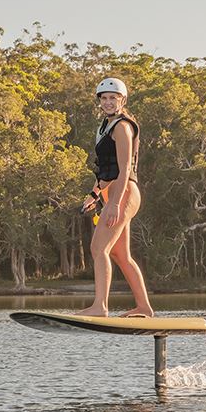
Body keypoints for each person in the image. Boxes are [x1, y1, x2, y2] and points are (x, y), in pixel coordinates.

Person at [76, 77, 154, 318]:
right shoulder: (106, 126)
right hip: (116, 191)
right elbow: (107, 171)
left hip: (125, 192)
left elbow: (124, 169)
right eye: (105, 98)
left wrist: (115, 204)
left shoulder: (122, 127)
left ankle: (100, 306)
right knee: (121, 254)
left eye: (114, 98)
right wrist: (95, 193)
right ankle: (143, 307)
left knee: (98, 248)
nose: (109, 102)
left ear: (123, 100)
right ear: (99, 101)